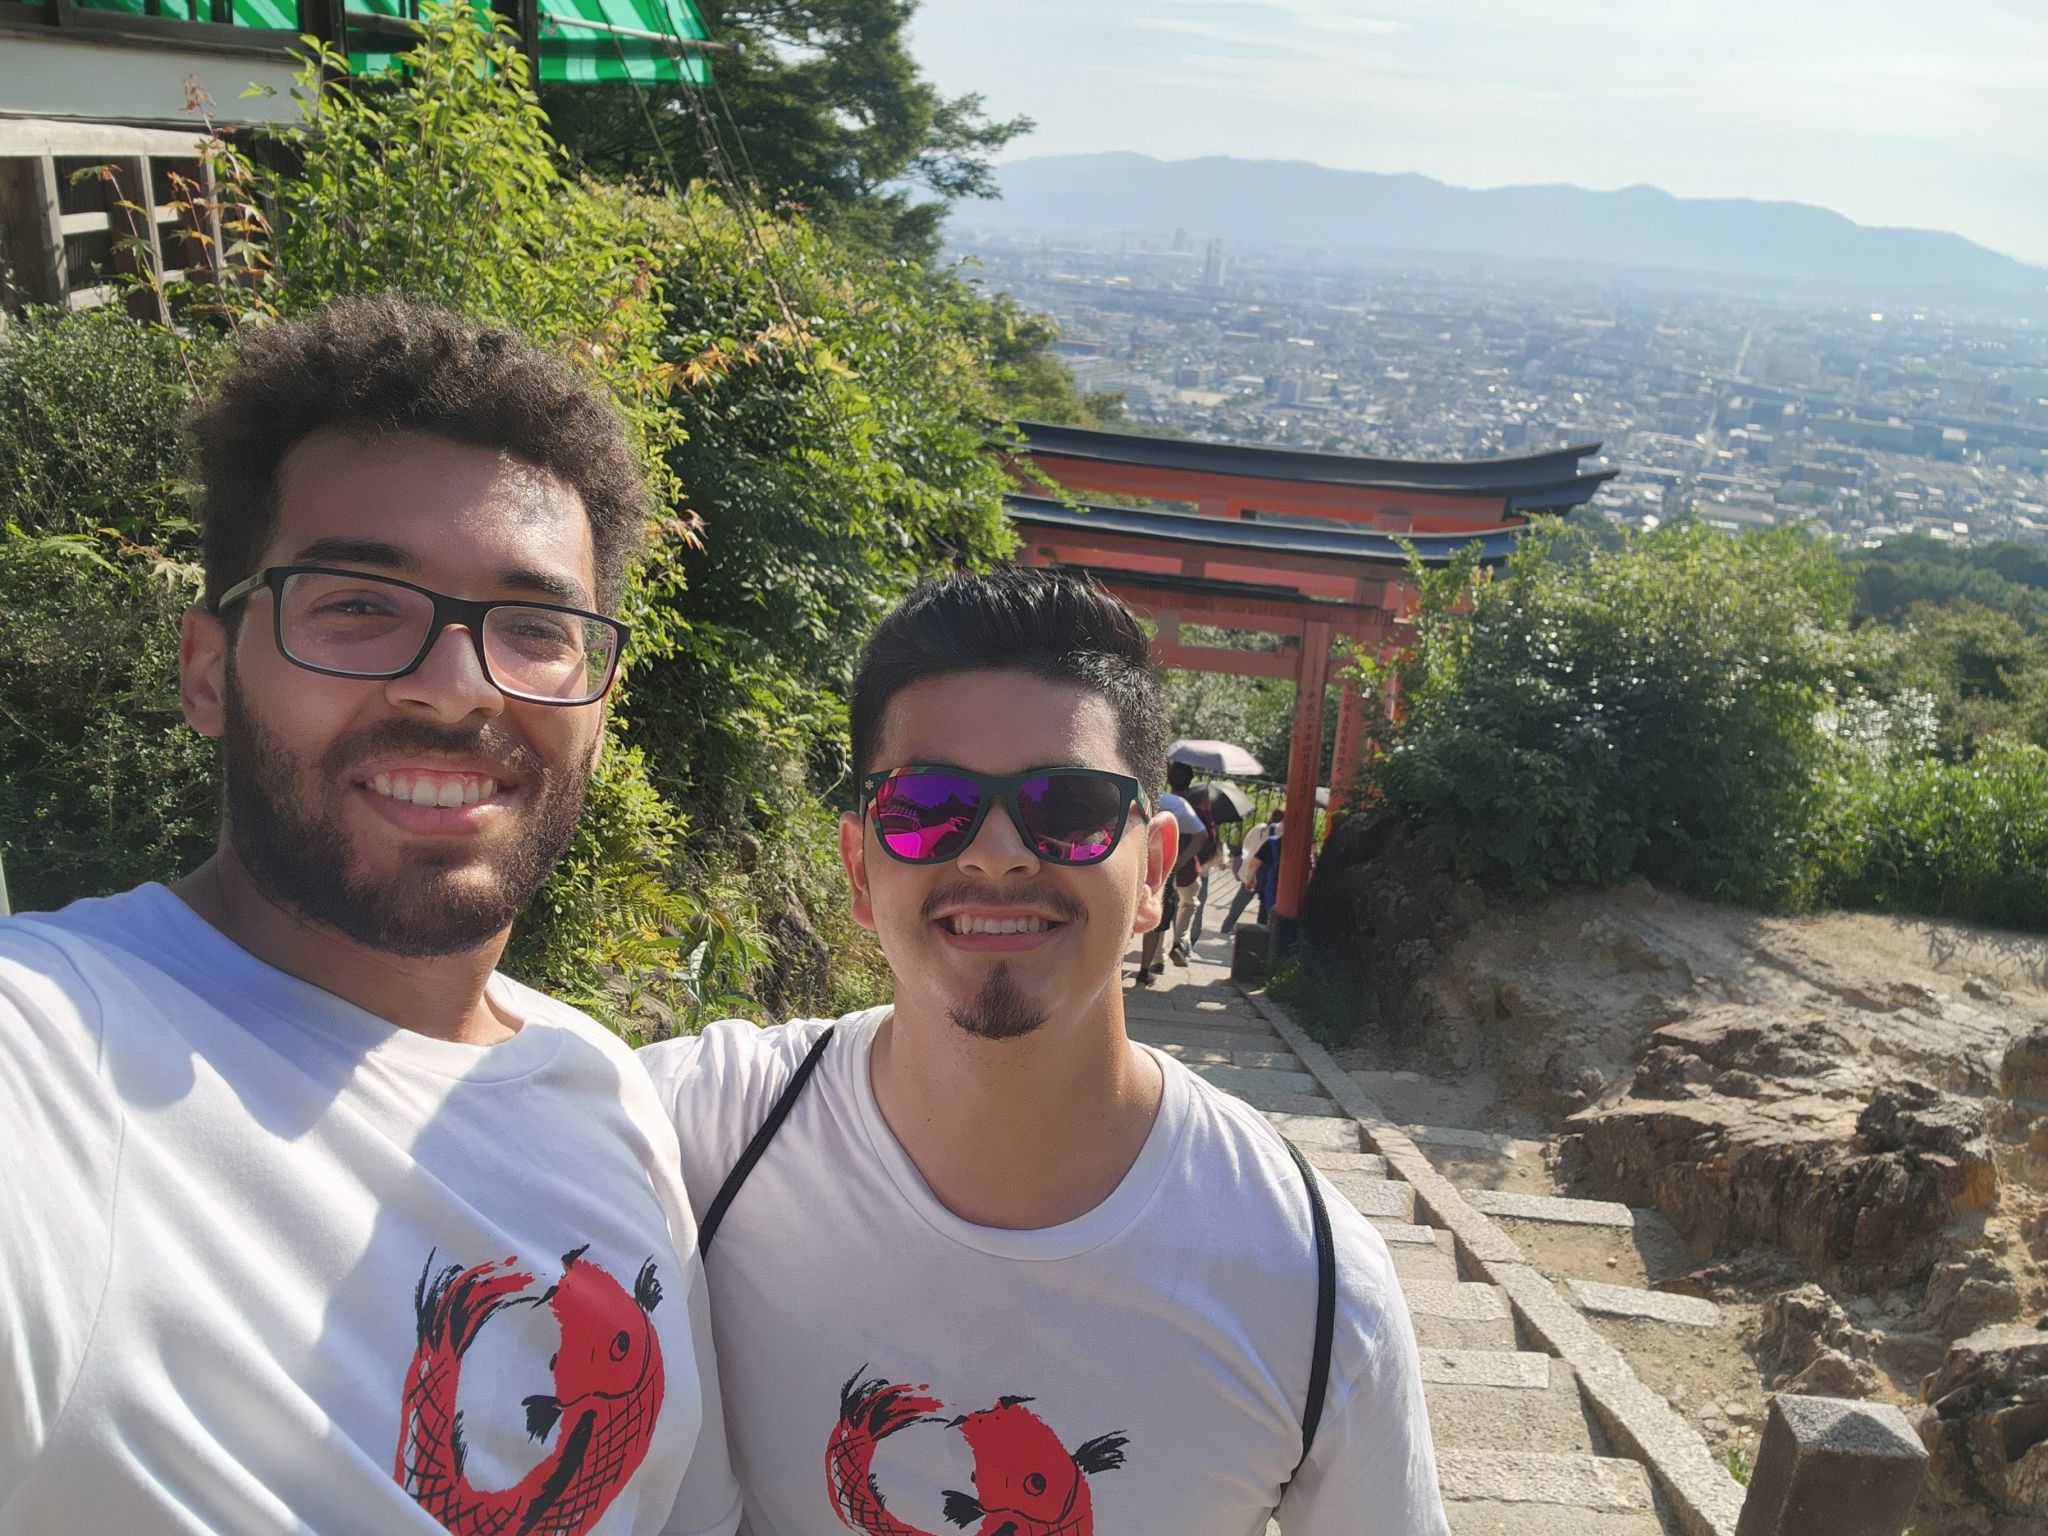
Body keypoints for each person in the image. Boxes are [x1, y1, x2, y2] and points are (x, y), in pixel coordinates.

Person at [0, 299, 739, 1535]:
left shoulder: (600, 1093)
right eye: (356, 605)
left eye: (535, 628)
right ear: (206, 669)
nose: (455, 689)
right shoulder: (58, 1066)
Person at [641, 569, 1446, 1534]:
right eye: (929, 802)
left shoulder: (1309, 1280)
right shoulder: (691, 1138)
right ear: (861, 867)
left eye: (1065, 808)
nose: (995, 854)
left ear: (1151, 870)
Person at [1225, 804, 1285, 933]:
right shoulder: (1284, 833)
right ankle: (1263, 932)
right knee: (1265, 907)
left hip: (1252, 871)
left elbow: (1247, 846)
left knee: (1238, 904)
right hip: (1273, 878)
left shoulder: (1260, 829)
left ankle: (1226, 928)